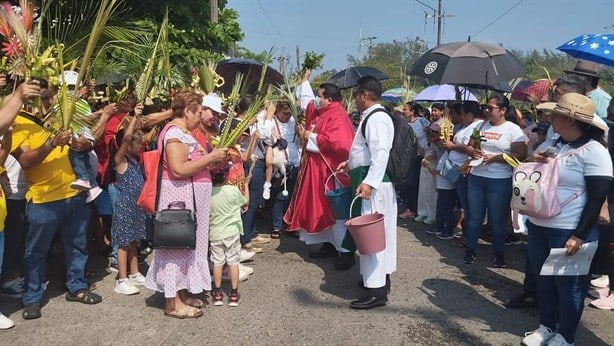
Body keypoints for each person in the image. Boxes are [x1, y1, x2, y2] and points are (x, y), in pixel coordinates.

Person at [521, 93, 612, 346]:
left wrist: (579, 235)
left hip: (568, 230)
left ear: (571, 120)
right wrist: (537, 162)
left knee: (570, 287)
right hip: (540, 225)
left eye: (556, 115)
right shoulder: (557, 145)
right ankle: (546, 326)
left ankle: (566, 335)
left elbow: (597, 198)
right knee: (544, 281)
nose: (551, 119)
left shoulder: (595, 151)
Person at [10, 85, 103, 320]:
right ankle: (32, 298)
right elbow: (26, 160)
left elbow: (88, 139)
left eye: (49, 97)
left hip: (74, 194)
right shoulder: (19, 122)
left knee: (78, 246)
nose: (47, 102)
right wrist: (51, 143)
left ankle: (77, 286)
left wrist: (85, 144)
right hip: (43, 199)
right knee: (35, 252)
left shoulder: (65, 116)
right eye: (42, 98)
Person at [144, 90, 228, 319]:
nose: (200, 117)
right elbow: (178, 169)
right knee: (175, 246)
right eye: (199, 111)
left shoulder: (182, 132)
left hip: (185, 197)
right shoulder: (174, 133)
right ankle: (172, 304)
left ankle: (179, 294)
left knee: (184, 247)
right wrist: (210, 158)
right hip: (176, 197)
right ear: (188, 110)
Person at [285, 70, 356, 269]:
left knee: (336, 211)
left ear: (330, 99)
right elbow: (307, 103)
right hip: (317, 169)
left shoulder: (338, 115)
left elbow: (338, 141)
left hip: (331, 172)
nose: (316, 99)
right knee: (323, 210)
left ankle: (345, 251)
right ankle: (329, 244)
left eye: (320, 96)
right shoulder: (322, 112)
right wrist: (304, 82)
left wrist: (309, 135)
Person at [337, 76, 396, 309]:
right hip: (373, 179)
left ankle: (376, 290)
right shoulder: (374, 117)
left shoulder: (376, 118)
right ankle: (379, 280)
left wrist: (370, 182)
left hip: (374, 184)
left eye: (357, 97)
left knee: (371, 236)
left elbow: (381, 152)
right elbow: (368, 152)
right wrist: (350, 162)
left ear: (363, 95)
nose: (355, 101)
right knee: (378, 235)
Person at [463, 94, 527, 267]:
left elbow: (521, 155)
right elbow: (470, 145)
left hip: (499, 179)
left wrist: (495, 158)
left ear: (503, 110)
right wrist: (472, 152)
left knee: (497, 220)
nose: (486, 110)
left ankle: (499, 254)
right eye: (485, 107)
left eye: (491, 108)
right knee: (475, 217)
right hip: (477, 177)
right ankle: (470, 249)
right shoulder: (481, 125)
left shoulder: (512, 129)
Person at [110, 116, 151, 295]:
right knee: (124, 243)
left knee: (134, 240)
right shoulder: (121, 160)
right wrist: (134, 118)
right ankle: (122, 279)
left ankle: (134, 273)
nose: (141, 146)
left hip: (136, 207)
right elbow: (126, 139)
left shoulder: (135, 161)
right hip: (125, 206)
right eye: (138, 144)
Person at [209, 169, 250, 307]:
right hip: (232, 231)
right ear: (226, 177)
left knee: (217, 262)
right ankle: (233, 293)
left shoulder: (208, 192)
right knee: (233, 262)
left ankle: (218, 292)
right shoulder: (232, 190)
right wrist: (246, 185)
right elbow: (245, 201)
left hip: (215, 232)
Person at [265, 101, 300, 239]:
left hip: (294, 163)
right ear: (277, 112)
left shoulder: (294, 121)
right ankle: (277, 226)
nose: (287, 116)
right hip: (279, 163)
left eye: (289, 113)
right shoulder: (271, 123)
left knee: (292, 197)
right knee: (279, 197)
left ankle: (290, 225)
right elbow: (266, 138)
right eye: (284, 113)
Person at [399, 102, 429, 219]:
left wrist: (426, 147)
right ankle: (412, 208)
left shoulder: (422, 122)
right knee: (410, 183)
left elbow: (431, 134)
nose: (403, 111)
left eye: (406, 109)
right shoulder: (406, 124)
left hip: (422, 156)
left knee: (415, 183)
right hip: (410, 157)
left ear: (412, 111)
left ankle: (415, 209)